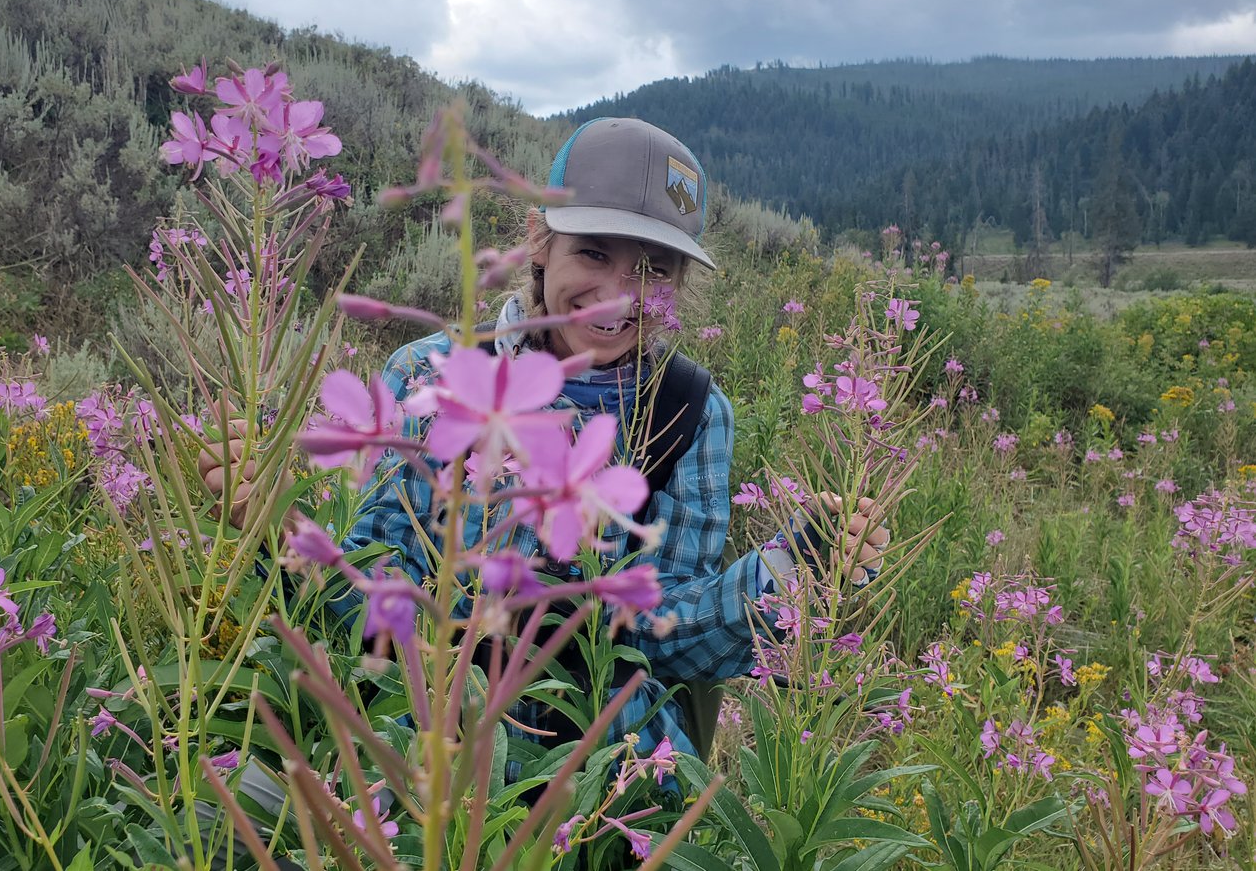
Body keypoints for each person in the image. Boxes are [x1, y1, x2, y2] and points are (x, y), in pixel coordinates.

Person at [204, 116, 888, 764]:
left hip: (599, 774)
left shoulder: (693, 412)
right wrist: (274, 525)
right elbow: (370, 596)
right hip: (424, 750)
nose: (621, 296)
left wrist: (798, 566)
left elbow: (672, 632)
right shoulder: (429, 373)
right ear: (538, 239)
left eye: (654, 271)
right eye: (593, 251)